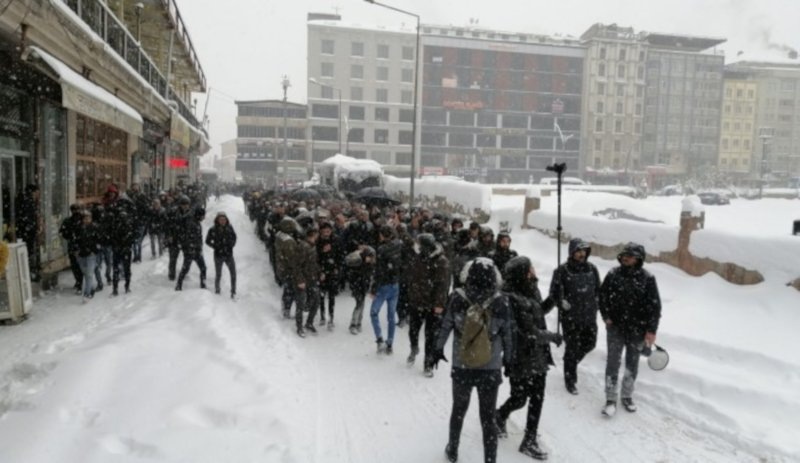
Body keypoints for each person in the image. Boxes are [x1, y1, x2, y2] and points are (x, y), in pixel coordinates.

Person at [435, 257, 513, 463]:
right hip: (490, 366)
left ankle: (453, 449)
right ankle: (490, 458)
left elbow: (445, 325)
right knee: (487, 418)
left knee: (458, 409)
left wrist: (437, 349)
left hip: (463, 364)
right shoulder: (501, 301)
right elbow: (507, 334)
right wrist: (509, 359)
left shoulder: (457, 298)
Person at [497, 256, 562, 460]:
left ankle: (529, 439)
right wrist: (552, 337)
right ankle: (499, 415)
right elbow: (529, 331)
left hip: (536, 355)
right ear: (523, 273)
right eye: (530, 268)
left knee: (536, 397)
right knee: (520, 397)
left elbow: (537, 312)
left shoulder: (530, 289)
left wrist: (552, 300)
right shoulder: (511, 297)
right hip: (521, 355)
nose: (534, 270)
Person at [599, 243, 662, 417]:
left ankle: (627, 395)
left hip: (638, 331)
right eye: (624, 255)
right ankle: (610, 398)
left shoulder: (648, 279)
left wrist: (651, 330)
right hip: (616, 328)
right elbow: (602, 297)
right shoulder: (613, 274)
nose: (625, 257)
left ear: (638, 259)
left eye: (630, 255)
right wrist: (606, 317)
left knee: (632, 364)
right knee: (613, 362)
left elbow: (654, 307)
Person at [548, 238, 601, 395]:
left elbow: (599, 289)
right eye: (578, 251)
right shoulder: (562, 271)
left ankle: (570, 363)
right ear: (572, 252)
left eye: (584, 251)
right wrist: (560, 302)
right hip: (570, 317)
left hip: (589, 316)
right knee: (572, 348)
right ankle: (570, 380)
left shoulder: (592, 269)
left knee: (590, 344)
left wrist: (597, 301)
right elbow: (553, 293)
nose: (582, 254)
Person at [407, 233, 450, 377]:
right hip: (416, 301)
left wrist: (439, 304)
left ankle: (428, 363)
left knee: (430, 336)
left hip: (432, 304)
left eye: (419, 243)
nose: (417, 246)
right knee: (413, 330)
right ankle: (414, 348)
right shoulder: (417, 256)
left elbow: (442, 285)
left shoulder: (441, 261)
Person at [369, 225, 402, 354]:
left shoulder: (382, 249)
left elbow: (379, 271)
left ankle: (379, 339)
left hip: (384, 286)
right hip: (395, 285)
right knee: (391, 316)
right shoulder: (399, 245)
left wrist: (373, 289)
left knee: (373, 312)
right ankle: (390, 343)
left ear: (383, 235)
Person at [205, 211, 237, 298]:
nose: (223, 221)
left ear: (226, 220)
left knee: (233, 273)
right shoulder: (213, 229)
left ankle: (233, 291)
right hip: (218, 255)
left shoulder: (230, 227)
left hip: (229, 255)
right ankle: (217, 289)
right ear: (217, 220)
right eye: (221, 219)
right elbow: (207, 241)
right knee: (218, 274)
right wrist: (215, 246)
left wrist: (231, 244)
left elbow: (234, 237)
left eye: (224, 219)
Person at [296, 226, 320, 337]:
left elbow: (314, 263)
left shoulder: (313, 246)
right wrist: (300, 280)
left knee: (316, 301)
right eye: (316, 234)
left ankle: (309, 323)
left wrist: (319, 273)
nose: (317, 236)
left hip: (312, 279)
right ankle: (299, 327)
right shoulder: (303, 246)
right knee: (300, 304)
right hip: (303, 280)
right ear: (312, 235)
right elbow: (297, 266)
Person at [275, 216, 301, 319]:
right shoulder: (288, 241)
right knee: (290, 290)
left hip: (282, 266)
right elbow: (292, 258)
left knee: (287, 289)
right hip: (288, 269)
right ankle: (286, 309)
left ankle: (285, 308)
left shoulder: (279, 235)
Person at [175, 206, 207, 291]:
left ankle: (203, 284)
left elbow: (198, 237)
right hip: (190, 250)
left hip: (196, 249)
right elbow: (187, 238)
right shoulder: (191, 223)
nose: (204, 218)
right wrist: (190, 248)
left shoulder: (196, 222)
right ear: (199, 215)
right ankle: (179, 285)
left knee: (201, 268)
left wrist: (199, 247)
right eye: (203, 216)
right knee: (186, 268)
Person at [316, 221, 341, 329]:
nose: (327, 232)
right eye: (325, 230)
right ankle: (322, 316)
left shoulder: (335, 240)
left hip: (332, 271)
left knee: (331, 296)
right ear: (321, 231)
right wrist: (320, 271)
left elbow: (341, 255)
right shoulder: (317, 241)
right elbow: (315, 258)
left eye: (329, 230)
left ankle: (331, 318)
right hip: (321, 272)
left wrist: (337, 267)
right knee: (321, 296)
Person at [347, 245, 375, 335]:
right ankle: (353, 324)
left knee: (361, 305)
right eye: (369, 257)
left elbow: (368, 277)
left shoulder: (368, 265)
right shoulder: (357, 264)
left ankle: (358, 323)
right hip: (358, 287)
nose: (370, 259)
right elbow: (353, 277)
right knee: (359, 305)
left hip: (363, 287)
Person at [108, 205, 136, 295]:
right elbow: (133, 237)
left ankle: (117, 288)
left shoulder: (116, 225)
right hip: (124, 250)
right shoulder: (127, 225)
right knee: (126, 269)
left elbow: (112, 237)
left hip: (120, 249)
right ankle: (125, 287)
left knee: (117, 269)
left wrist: (116, 245)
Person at [74, 210, 101, 302]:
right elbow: (75, 240)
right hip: (81, 254)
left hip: (91, 254)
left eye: (88, 218)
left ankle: (87, 293)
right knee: (85, 272)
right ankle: (91, 287)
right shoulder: (78, 228)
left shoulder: (94, 228)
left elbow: (99, 240)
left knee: (89, 274)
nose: (86, 220)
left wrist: (95, 250)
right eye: (85, 218)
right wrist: (76, 250)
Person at [17, 184, 41, 282]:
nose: (37, 195)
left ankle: (29, 273)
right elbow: (28, 219)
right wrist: (33, 229)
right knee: (28, 253)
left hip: (26, 232)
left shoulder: (26, 201)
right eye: (36, 192)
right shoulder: (28, 202)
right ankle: (28, 274)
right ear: (32, 192)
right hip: (26, 233)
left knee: (28, 252)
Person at [59, 204, 84, 293]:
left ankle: (81, 282)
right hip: (73, 246)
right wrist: (70, 237)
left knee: (79, 265)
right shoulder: (68, 221)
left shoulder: (82, 219)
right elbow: (62, 232)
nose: (76, 211)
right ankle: (79, 281)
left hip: (81, 246)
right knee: (75, 265)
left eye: (77, 209)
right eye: (74, 210)